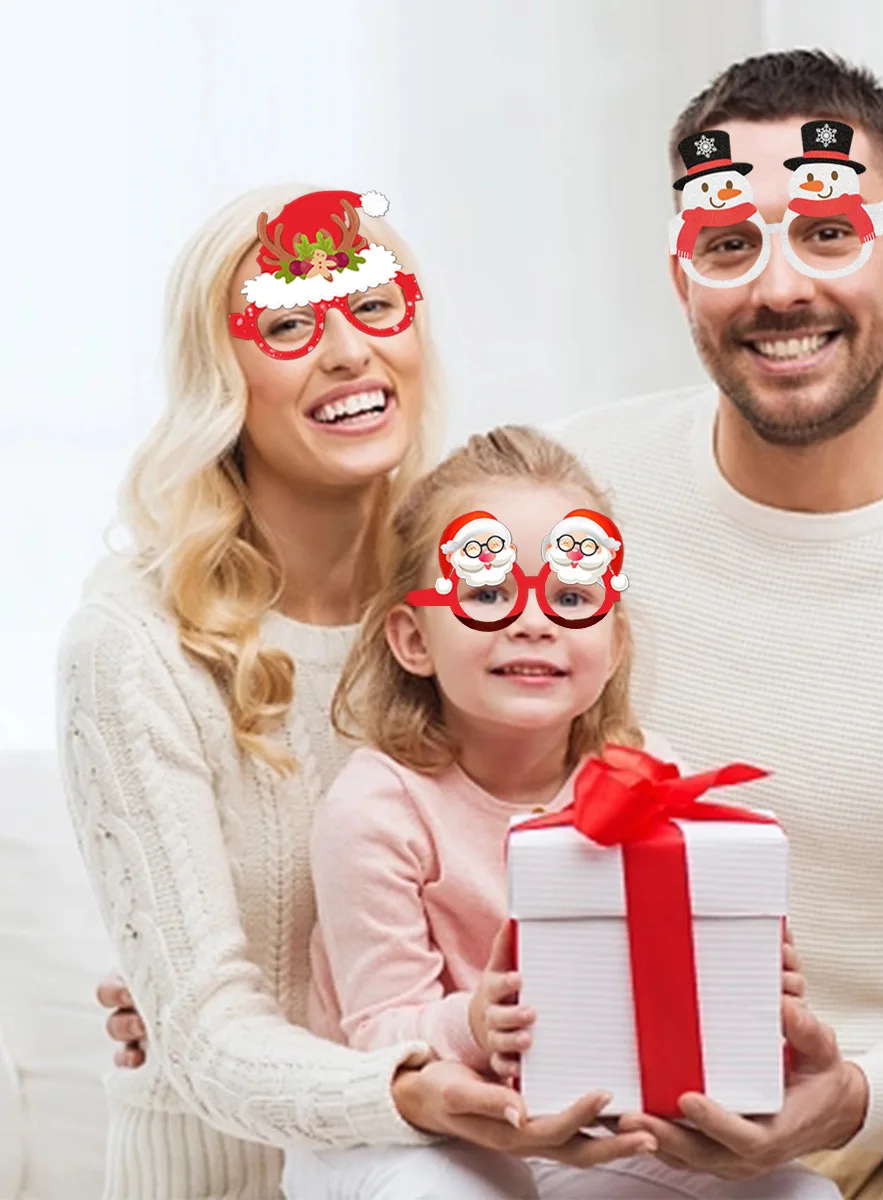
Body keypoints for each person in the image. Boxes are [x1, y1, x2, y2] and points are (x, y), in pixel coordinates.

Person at [98, 50, 883, 1198]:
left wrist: (863, 1092)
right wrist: (188, 988)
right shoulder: (572, 496)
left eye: (828, 232)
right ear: (683, 277)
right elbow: (381, 726)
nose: (779, 287)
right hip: (614, 1129)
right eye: (729, 245)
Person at [60, 186, 663, 1200]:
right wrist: (192, 1011)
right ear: (222, 379)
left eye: (374, 307)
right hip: (230, 1177)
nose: (347, 353)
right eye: (289, 324)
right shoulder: (133, 645)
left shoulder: (485, 591)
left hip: (484, 1158)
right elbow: (207, 1031)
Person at [276, 423, 842, 1199]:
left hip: (591, 1120)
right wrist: (472, 1025)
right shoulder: (379, 807)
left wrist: (745, 985)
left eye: (573, 596)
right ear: (413, 638)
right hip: (405, 1129)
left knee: (801, 1195)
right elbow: (377, 1034)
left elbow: (680, 972)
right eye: (486, 594)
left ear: (610, 639)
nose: (533, 620)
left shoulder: (649, 776)